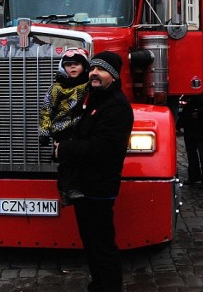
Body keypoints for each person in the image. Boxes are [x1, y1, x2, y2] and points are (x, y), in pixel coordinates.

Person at [55, 51, 134, 292]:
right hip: (86, 185)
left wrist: (65, 148)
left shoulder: (117, 107)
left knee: (101, 244)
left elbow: (103, 148)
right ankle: (99, 285)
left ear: (114, 76)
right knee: (91, 242)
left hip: (99, 186)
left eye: (101, 70)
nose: (94, 74)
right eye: (92, 69)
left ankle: (109, 287)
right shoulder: (95, 100)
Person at [39, 47, 90, 205]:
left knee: (72, 160)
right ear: (62, 67)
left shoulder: (88, 86)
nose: (73, 67)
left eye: (76, 64)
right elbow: (46, 110)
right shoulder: (56, 88)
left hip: (80, 128)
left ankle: (64, 191)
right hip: (62, 129)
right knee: (68, 160)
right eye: (68, 65)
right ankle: (71, 190)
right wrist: (44, 131)